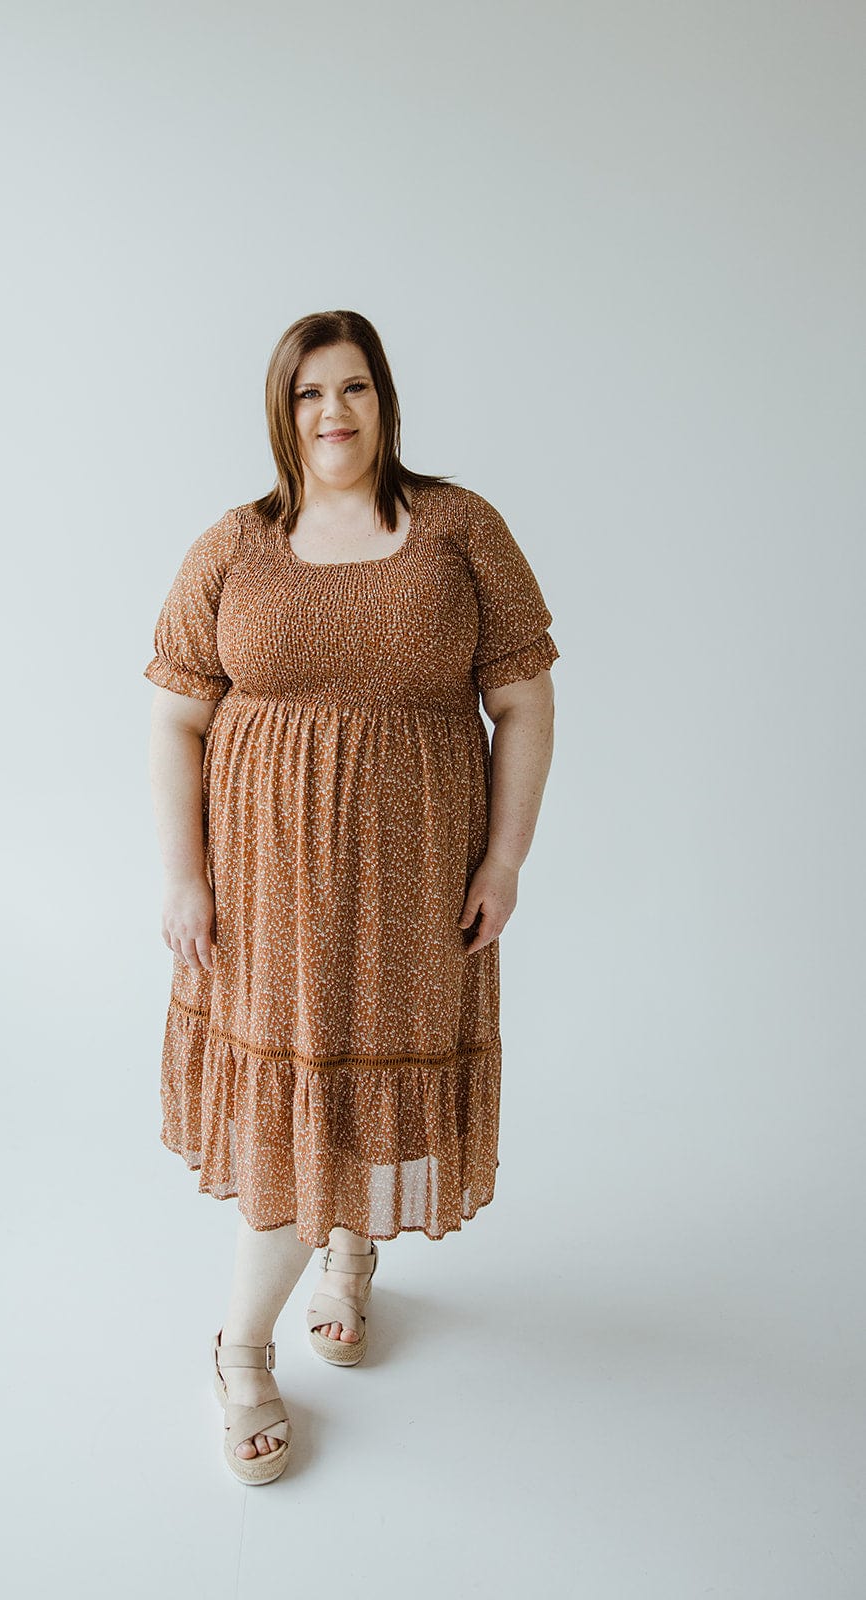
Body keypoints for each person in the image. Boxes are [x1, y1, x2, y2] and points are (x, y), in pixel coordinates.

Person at [143, 309, 559, 1484]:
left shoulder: (456, 530)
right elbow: (176, 715)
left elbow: (522, 702)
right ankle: (240, 1350)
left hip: (411, 890)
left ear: (384, 402)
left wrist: (505, 859)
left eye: (354, 389)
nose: (332, 413)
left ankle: (349, 1258)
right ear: (281, 412)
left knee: (370, 1076)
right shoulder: (235, 544)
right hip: (265, 903)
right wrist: (183, 875)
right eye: (308, 392)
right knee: (287, 1116)